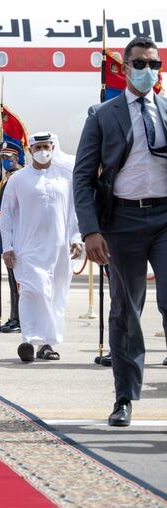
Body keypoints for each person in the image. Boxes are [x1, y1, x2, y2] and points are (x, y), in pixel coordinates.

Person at [73, 36, 167, 427]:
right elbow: (82, 177)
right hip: (122, 223)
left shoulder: (166, 110)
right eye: (140, 64)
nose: (148, 71)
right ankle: (124, 397)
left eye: (154, 64)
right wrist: (91, 231)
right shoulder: (102, 114)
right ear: (125, 67)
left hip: (164, 219)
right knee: (126, 313)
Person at [1, 132, 83, 363]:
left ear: (53, 147)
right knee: (32, 290)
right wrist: (7, 247)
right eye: (37, 147)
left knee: (55, 294)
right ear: (30, 151)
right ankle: (29, 339)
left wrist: (77, 238)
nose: (42, 151)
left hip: (58, 248)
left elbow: (74, 211)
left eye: (46, 146)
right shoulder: (18, 179)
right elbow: (6, 215)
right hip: (27, 248)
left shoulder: (65, 177)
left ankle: (47, 344)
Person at [0, 140, 25, 333]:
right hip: (7, 235)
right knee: (12, 280)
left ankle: (20, 319)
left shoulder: (20, 177)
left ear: (16, 158)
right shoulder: (7, 178)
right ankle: (14, 316)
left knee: (18, 280)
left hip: (17, 235)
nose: (4, 161)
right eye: (2, 158)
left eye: (7, 157)